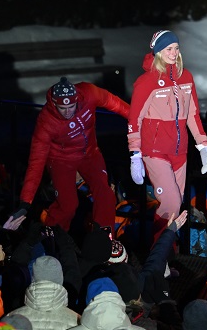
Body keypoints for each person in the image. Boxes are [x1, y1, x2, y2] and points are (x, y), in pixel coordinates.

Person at [128, 30, 207, 234]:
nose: (173, 53)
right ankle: (157, 259)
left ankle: (167, 257)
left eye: (176, 48)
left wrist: (202, 146)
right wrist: (135, 155)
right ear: (158, 51)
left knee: (176, 209)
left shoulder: (186, 77)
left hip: (179, 153)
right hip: (154, 152)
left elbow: (192, 114)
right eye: (168, 49)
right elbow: (134, 119)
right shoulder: (146, 81)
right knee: (170, 204)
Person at [16, 78, 129, 230]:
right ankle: (52, 240)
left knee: (106, 196)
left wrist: (138, 119)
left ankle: (104, 242)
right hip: (61, 160)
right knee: (67, 206)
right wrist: (25, 201)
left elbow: (113, 102)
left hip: (89, 153)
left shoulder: (89, 93)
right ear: (54, 104)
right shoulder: (46, 122)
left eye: (71, 106)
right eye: (62, 108)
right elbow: (36, 163)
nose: (68, 111)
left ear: (77, 99)